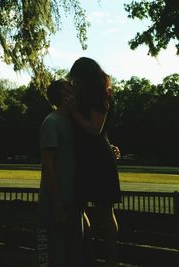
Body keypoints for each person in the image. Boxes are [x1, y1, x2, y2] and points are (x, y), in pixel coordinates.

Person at [66, 57, 121, 267]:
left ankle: (111, 260)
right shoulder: (79, 98)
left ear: (86, 78)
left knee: (105, 211)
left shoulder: (101, 96)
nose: (74, 84)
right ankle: (88, 256)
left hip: (99, 160)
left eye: (77, 80)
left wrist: (73, 113)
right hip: (83, 158)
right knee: (78, 208)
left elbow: (95, 129)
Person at [37, 79, 83, 267]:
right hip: (56, 203)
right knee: (56, 257)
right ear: (64, 96)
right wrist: (57, 205)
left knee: (74, 257)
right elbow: (48, 166)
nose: (74, 90)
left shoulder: (75, 122)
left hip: (73, 201)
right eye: (69, 88)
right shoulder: (52, 122)